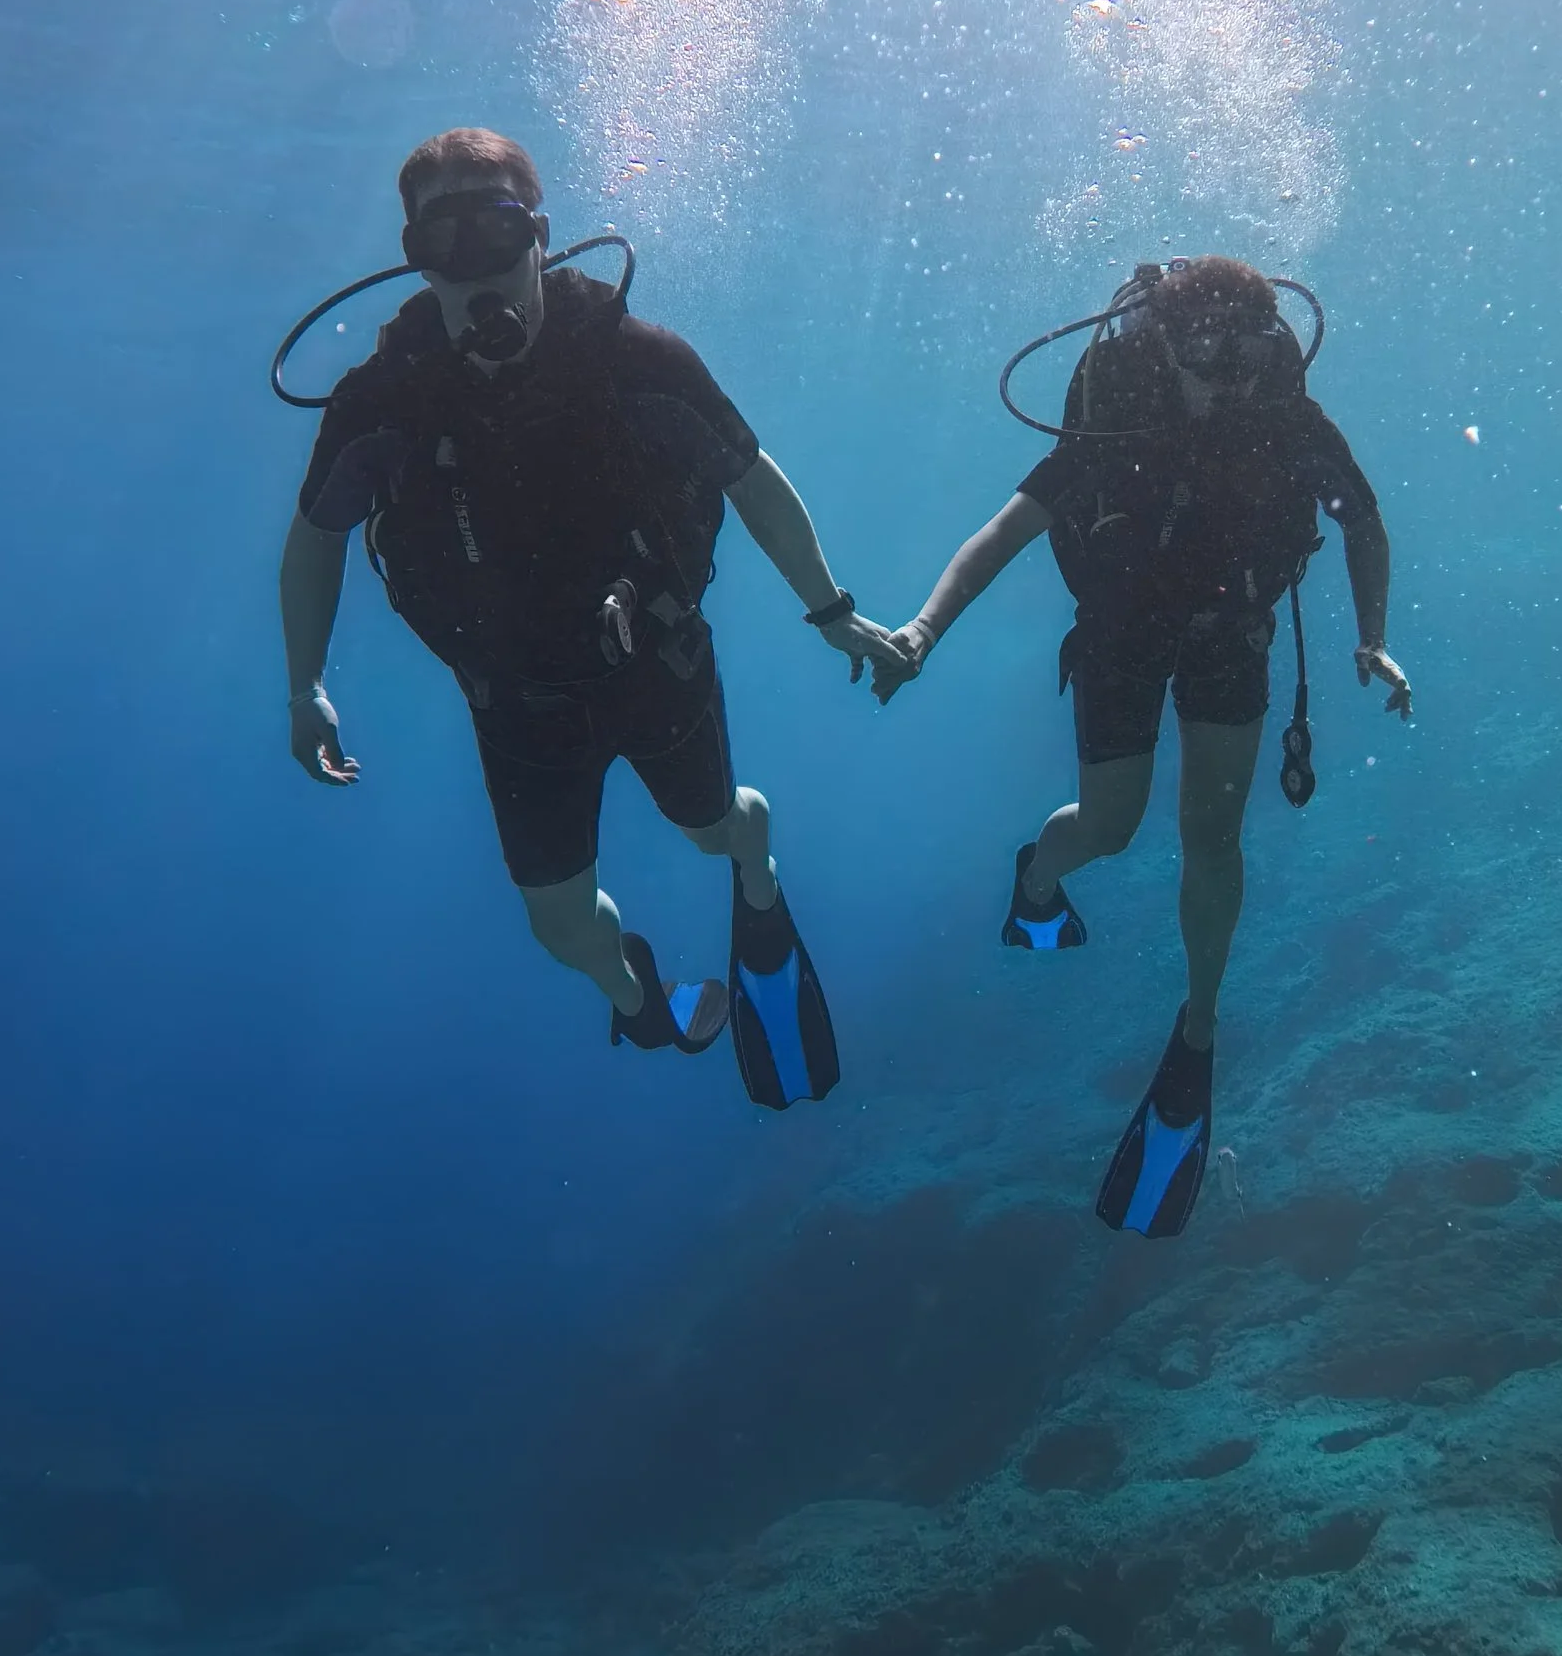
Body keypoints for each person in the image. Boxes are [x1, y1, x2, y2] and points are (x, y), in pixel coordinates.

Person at [280, 128, 890, 1104]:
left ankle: (755, 869)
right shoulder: (381, 402)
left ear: (542, 236)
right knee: (561, 929)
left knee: (713, 827)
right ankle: (633, 991)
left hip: (657, 667)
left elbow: (752, 482)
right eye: (446, 243)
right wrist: (304, 684)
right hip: (517, 708)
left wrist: (834, 613)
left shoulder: (636, 360)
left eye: (498, 229)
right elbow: (313, 538)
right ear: (413, 258)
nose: (475, 266)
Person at [869, 253, 1408, 1233]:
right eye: (1208, 354)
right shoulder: (1113, 412)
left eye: (1244, 354)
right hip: (1119, 637)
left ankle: (1198, 1029)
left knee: (1213, 835)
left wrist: (1371, 636)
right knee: (1110, 829)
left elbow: (1363, 523)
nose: (1229, 379)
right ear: (1163, 343)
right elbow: (1002, 533)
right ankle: (1039, 874)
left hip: (1229, 635)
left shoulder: (1284, 409)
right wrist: (921, 630)